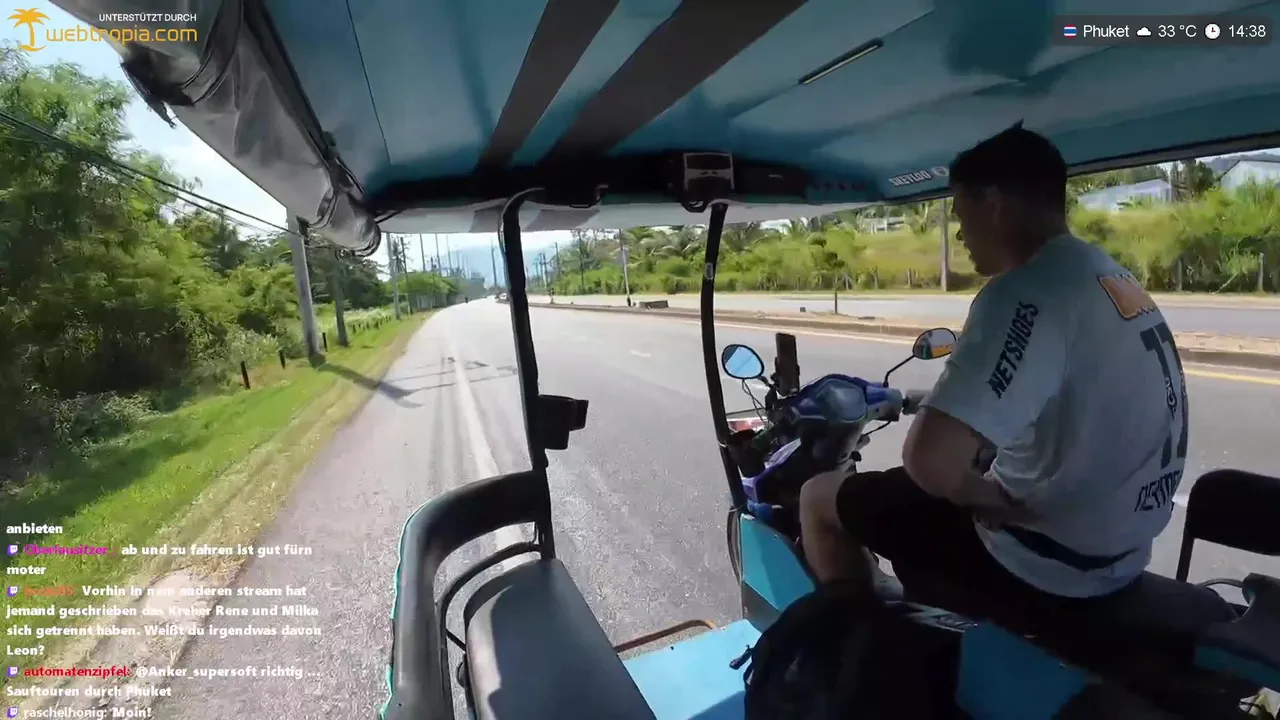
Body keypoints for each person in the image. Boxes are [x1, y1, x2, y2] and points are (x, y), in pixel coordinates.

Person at [797, 125, 1189, 621]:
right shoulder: (1110, 276)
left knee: (817, 498)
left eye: (961, 214)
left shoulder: (1024, 291)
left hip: (1042, 563)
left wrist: (993, 502)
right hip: (1119, 554)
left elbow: (929, 461)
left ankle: (857, 645)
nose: (961, 233)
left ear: (994, 204)